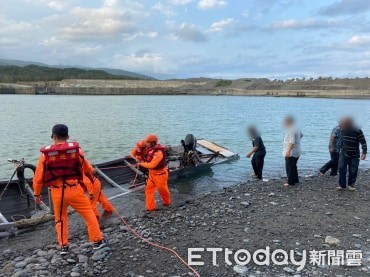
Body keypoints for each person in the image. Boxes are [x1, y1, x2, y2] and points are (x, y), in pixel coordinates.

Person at [33, 124, 105, 255]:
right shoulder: (77, 152)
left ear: (54, 137)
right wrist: (91, 173)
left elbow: (38, 177)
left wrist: (37, 194)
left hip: (57, 192)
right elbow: (88, 169)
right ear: (68, 137)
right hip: (75, 190)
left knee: (60, 219)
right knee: (89, 215)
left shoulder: (45, 156)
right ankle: (96, 241)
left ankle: (63, 246)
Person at [139, 134, 171, 211]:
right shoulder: (149, 150)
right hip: (151, 175)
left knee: (163, 191)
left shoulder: (158, 153)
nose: (146, 143)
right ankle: (151, 208)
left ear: (152, 143)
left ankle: (167, 203)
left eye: (148, 142)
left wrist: (141, 164)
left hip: (160, 175)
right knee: (148, 190)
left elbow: (152, 165)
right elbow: (147, 159)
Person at [337, 117, 367, 191]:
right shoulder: (342, 130)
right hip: (343, 152)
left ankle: (351, 185)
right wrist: (337, 149)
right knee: (341, 168)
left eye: (344, 124)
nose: (342, 125)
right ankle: (342, 185)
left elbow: (363, 142)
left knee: (353, 170)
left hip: (354, 154)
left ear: (349, 124)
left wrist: (364, 153)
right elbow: (341, 140)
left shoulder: (358, 131)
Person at [282, 116, 303, 187]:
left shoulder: (290, 130)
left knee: (289, 166)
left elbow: (292, 142)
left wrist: (288, 151)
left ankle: (290, 182)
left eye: (285, 121)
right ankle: (295, 179)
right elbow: (301, 135)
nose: (284, 123)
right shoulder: (296, 128)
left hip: (292, 150)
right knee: (293, 165)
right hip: (297, 149)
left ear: (289, 122)